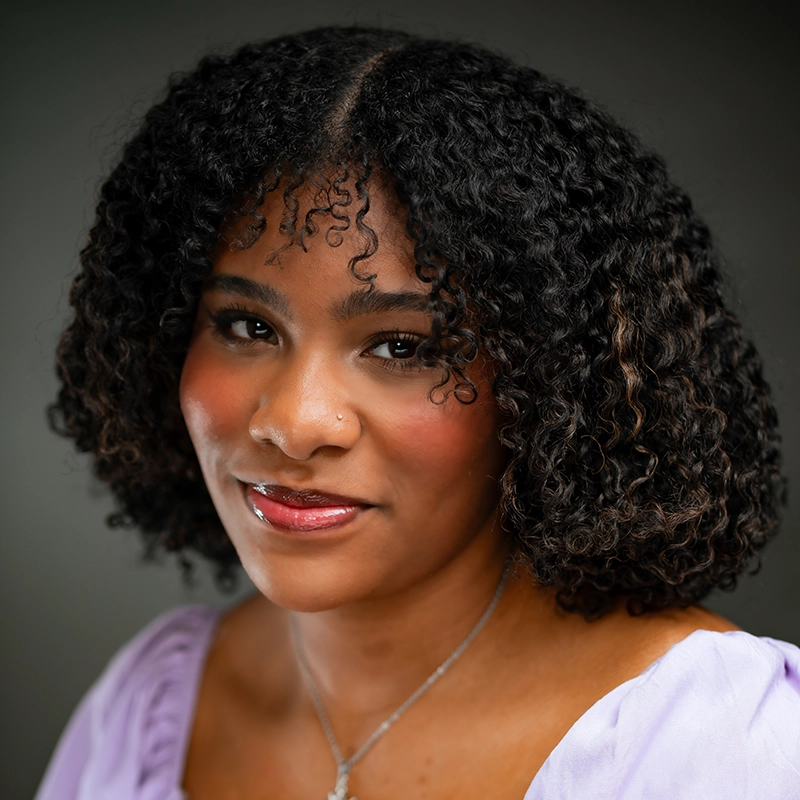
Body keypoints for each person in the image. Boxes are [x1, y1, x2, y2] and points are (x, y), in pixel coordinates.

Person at [36, 25, 800, 800]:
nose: (295, 424)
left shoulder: (712, 747)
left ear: (549, 381)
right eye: (247, 326)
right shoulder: (151, 709)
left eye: (402, 347)